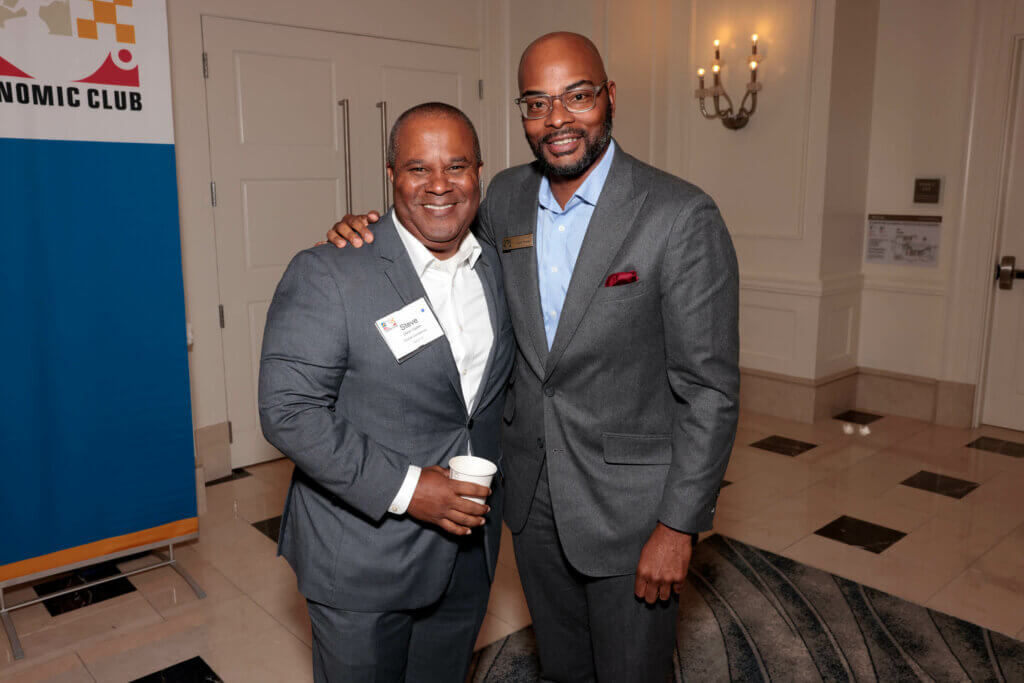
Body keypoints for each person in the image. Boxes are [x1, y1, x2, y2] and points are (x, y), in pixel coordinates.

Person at [326, 32, 739, 682]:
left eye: (577, 96)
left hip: (633, 510)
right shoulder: (507, 198)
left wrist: (678, 525)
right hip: (533, 497)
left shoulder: (678, 215)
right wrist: (371, 230)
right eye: (538, 103)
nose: (557, 119)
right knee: (564, 667)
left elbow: (709, 390)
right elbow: (437, 224)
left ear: (609, 97)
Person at [259, 102, 515, 683]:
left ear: (479, 172)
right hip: (362, 557)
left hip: (468, 551)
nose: (440, 185)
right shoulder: (331, 271)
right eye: (418, 168)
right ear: (392, 174)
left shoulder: (495, 265)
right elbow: (288, 411)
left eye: (456, 166)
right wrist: (409, 488)